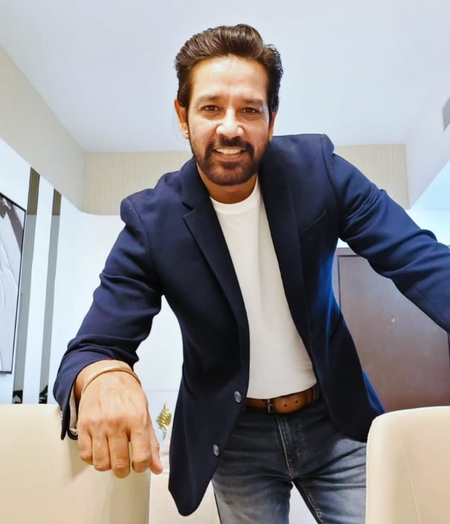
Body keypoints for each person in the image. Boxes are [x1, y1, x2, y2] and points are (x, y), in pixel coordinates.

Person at [54, 24, 450, 524]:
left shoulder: (320, 172)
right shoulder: (152, 221)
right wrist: (105, 376)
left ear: (271, 119)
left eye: (249, 110)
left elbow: (419, 258)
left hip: (335, 418)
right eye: (211, 107)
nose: (230, 128)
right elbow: (92, 347)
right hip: (234, 436)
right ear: (183, 115)